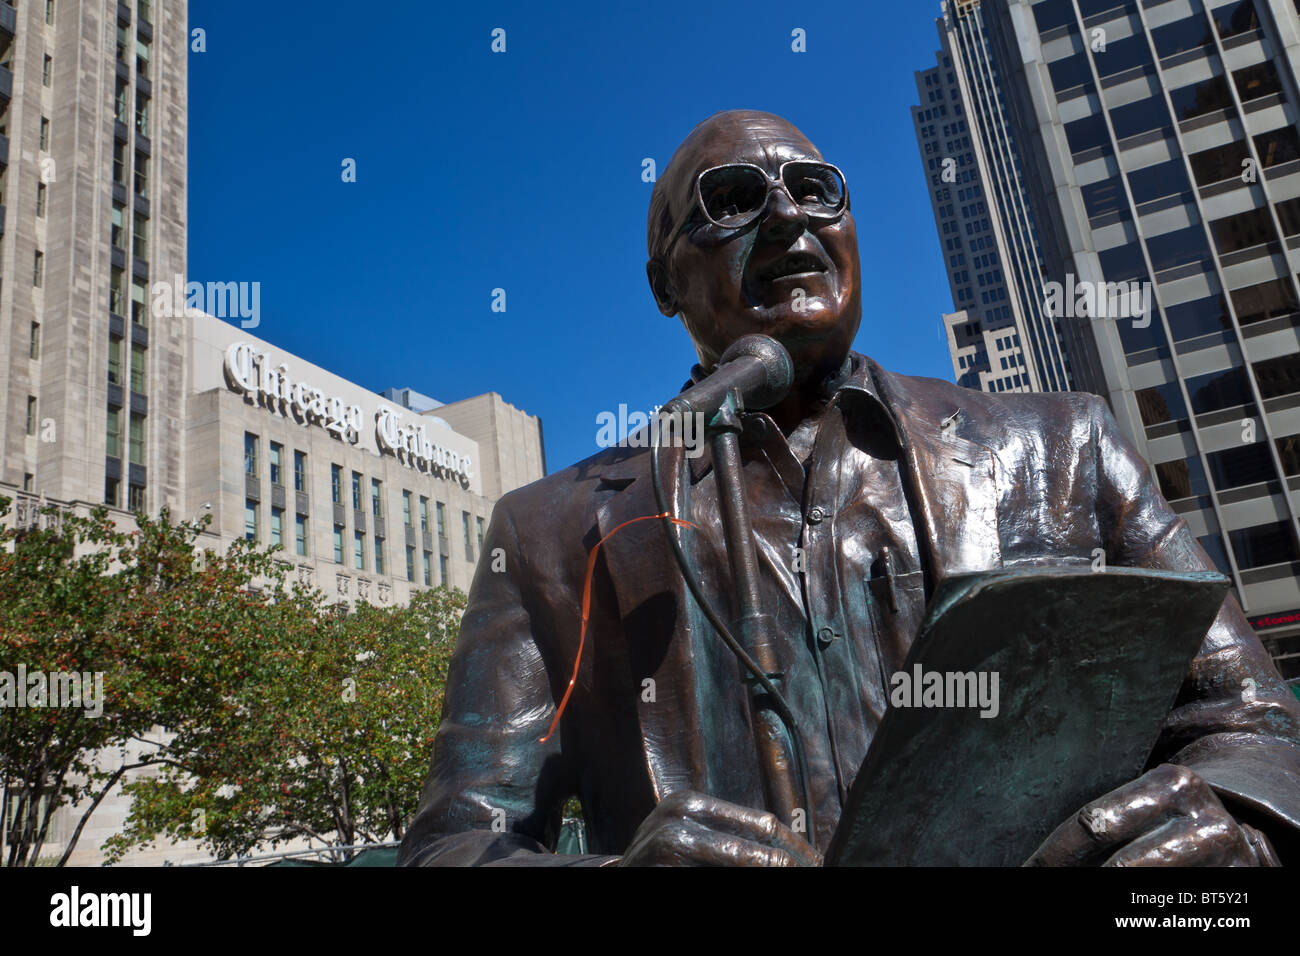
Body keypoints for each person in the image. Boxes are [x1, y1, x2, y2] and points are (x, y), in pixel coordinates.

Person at [397, 110, 1300, 866]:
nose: (789, 217)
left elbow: (1257, 726)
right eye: (735, 201)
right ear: (664, 284)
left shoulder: (1061, 446)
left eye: (814, 189)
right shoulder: (552, 534)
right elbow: (451, 843)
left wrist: (1232, 831)